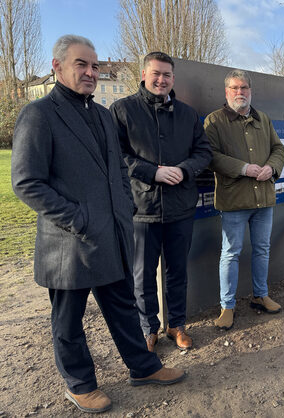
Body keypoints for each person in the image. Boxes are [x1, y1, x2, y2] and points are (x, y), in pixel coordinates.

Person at [11, 35, 184, 414]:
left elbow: (119, 170)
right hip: (69, 244)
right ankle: (80, 384)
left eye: (94, 66)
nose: (90, 72)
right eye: (81, 65)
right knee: (68, 321)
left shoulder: (103, 115)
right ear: (57, 67)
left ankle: (143, 367)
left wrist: (122, 208)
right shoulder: (39, 114)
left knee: (123, 308)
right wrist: (78, 218)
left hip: (112, 235)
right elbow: (26, 182)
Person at [110, 52, 212, 352]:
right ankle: (148, 328)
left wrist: (183, 169)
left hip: (181, 207)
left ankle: (177, 324)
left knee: (177, 271)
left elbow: (203, 153)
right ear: (144, 74)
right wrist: (152, 172)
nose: (161, 79)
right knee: (142, 275)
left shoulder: (188, 114)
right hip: (141, 208)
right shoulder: (121, 110)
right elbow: (115, 156)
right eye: (156, 73)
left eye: (167, 75)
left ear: (173, 79)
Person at [204, 69, 284, 330]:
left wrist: (271, 168)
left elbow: (278, 148)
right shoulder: (214, 121)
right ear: (227, 92)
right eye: (235, 88)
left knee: (262, 249)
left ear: (251, 91)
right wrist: (243, 168)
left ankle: (261, 295)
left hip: (263, 199)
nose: (240, 93)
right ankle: (227, 306)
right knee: (230, 253)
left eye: (245, 88)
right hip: (234, 201)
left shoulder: (263, 118)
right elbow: (210, 156)